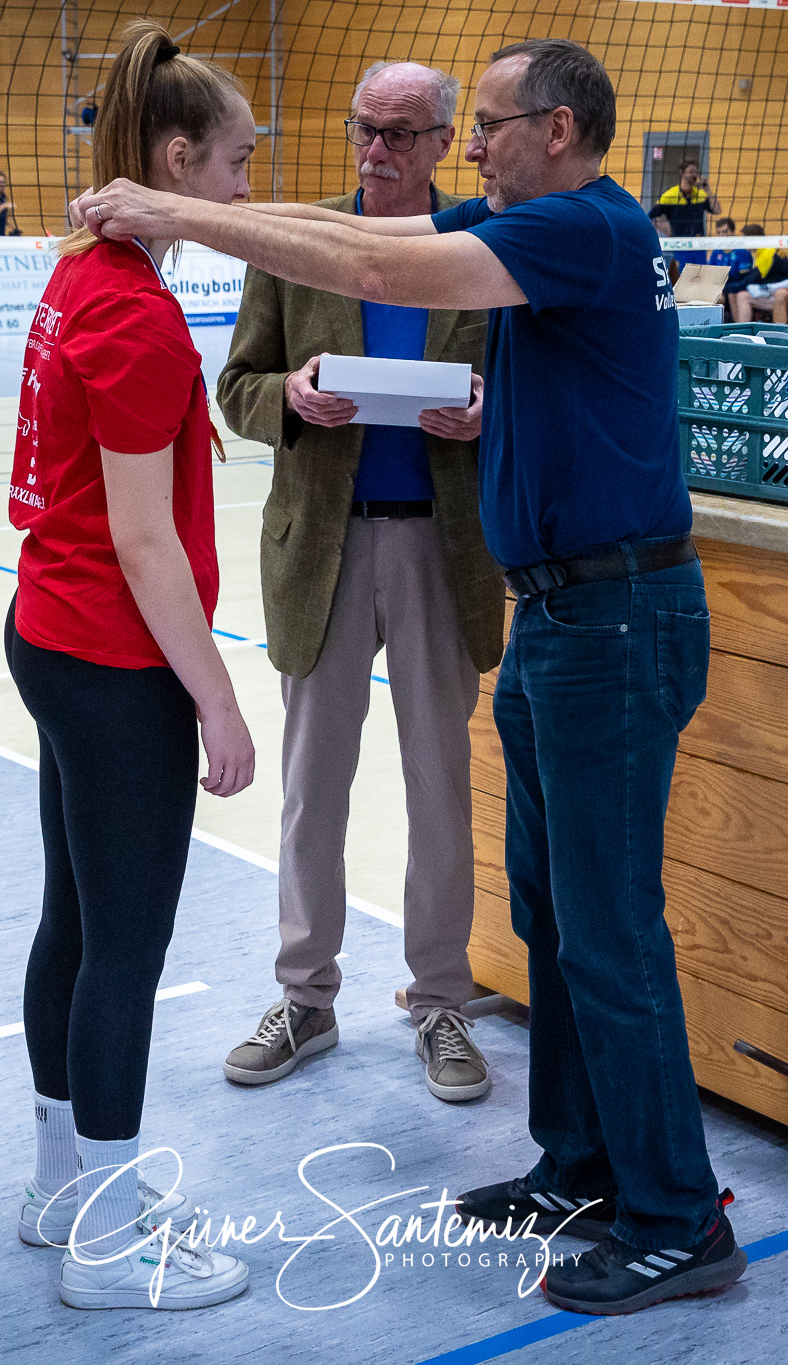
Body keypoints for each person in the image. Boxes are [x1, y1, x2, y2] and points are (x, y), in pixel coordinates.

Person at [72, 35, 746, 1318]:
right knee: (554, 920)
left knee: (608, 927)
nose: (470, 147)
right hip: (557, 609)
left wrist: (175, 208)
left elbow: (381, 257)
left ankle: (675, 1218)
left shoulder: (579, 226)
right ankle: (580, 1165)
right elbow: (349, 262)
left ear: (556, 129)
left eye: (485, 124)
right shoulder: (550, 233)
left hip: (613, 616)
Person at [4, 20, 256, 1311]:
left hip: (53, 634)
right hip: (113, 656)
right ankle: (107, 1242)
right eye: (233, 166)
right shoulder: (141, 322)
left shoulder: (82, 276)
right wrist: (217, 698)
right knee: (127, 949)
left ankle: (65, 1187)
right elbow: (148, 545)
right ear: (171, 157)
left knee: (77, 920)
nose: (245, 193)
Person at [214, 59, 504, 1104]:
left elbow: (526, 384)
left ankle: (436, 1002)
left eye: (396, 134)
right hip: (322, 550)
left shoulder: (479, 246)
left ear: (441, 142)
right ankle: (305, 996)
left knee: (439, 789)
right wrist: (287, 394)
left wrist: (487, 411)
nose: (374, 152)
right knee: (310, 793)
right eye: (361, 132)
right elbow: (233, 387)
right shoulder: (300, 247)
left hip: (441, 545)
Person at [654, 157, 720, 265]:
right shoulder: (670, 195)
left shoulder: (700, 195)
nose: (694, 175)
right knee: (681, 277)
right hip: (680, 245)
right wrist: (669, 231)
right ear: (682, 173)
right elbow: (652, 217)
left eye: (696, 171)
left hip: (699, 244)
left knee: (699, 277)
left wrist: (707, 189)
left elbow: (717, 210)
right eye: (691, 171)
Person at [730, 223, 788, 325]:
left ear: (753, 239)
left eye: (745, 239)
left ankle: (740, 331)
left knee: (741, 296)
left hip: (785, 296)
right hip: (775, 291)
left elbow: (752, 279)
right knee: (736, 294)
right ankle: (736, 328)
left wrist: (726, 288)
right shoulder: (765, 250)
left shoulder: (766, 254)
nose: (743, 243)